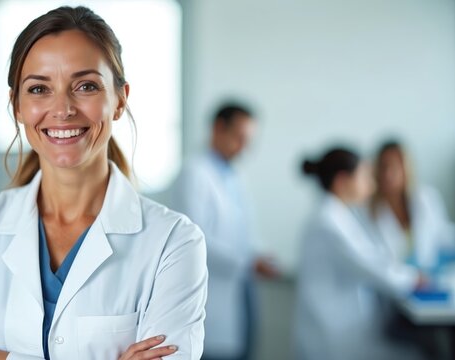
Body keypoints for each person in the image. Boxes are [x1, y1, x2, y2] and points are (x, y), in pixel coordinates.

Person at [0, 6, 208, 360]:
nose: (62, 109)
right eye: (39, 89)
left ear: (120, 100)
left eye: (86, 86)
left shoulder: (173, 241)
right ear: (16, 105)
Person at [293, 147, 424, 360]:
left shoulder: (338, 215)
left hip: (338, 329)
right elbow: (370, 267)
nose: (371, 185)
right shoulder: (328, 221)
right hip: (331, 335)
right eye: (365, 177)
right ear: (342, 180)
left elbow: (372, 259)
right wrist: (413, 279)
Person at [170, 103, 277, 360]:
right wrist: (248, 262)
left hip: (240, 284)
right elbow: (195, 238)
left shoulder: (234, 175)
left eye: (248, 140)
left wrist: (258, 254)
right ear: (218, 128)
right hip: (213, 288)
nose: (244, 147)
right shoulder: (194, 173)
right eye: (239, 137)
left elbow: (242, 232)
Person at [369, 140, 455, 270]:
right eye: (383, 167)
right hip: (391, 283)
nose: (388, 174)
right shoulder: (369, 209)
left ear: (406, 168)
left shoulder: (426, 198)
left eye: (394, 166)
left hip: (429, 277)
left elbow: (442, 234)